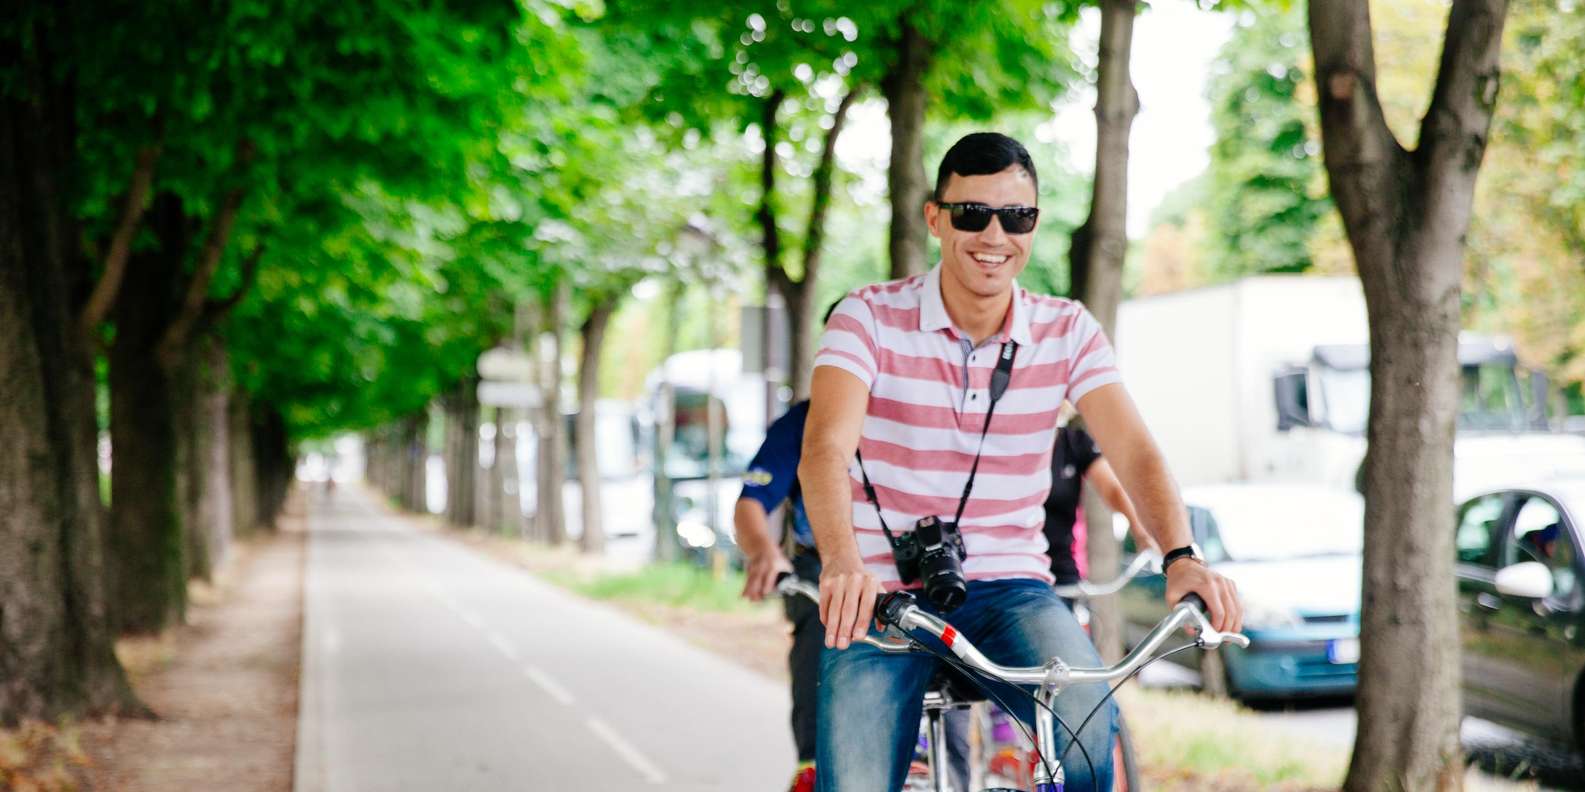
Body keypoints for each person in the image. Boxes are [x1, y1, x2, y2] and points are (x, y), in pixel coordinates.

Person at [799, 131, 1243, 791]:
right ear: (934, 218)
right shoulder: (867, 317)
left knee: (1087, 735)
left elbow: (1133, 449)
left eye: (1017, 216)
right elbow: (824, 449)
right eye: (971, 214)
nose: (994, 235)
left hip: (1010, 586)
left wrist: (1181, 556)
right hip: (879, 593)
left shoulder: (1067, 330)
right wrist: (841, 562)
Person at [734, 310, 972, 792]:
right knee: (821, 661)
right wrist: (764, 552)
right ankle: (812, 765)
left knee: (951, 715)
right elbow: (750, 504)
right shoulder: (800, 423)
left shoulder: (926, 413)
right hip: (825, 574)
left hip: (917, 575)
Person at [1044, 407, 1160, 587]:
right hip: (1013, 567)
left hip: (1061, 568)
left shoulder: (1075, 442)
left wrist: (1140, 531)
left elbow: (1113, 489)